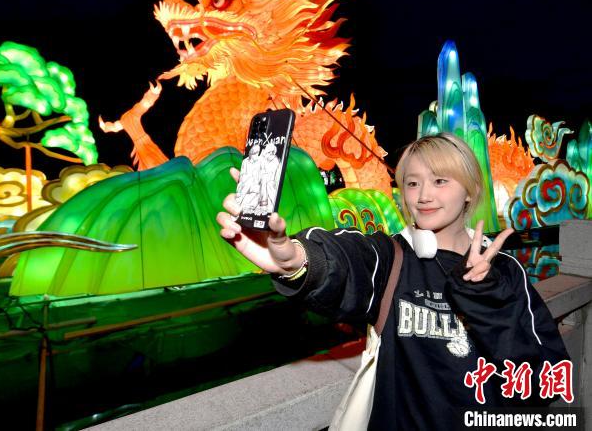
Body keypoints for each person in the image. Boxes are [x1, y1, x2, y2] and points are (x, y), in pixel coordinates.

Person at [216, 133, 570, 430]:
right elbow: (348, 259)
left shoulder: (507, 272)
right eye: (412, 183)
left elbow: (545, 380)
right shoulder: (392, 258)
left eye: (440, 181)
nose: (423, 195)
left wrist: (487, 299)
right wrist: (296, 259)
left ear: (470, 191)